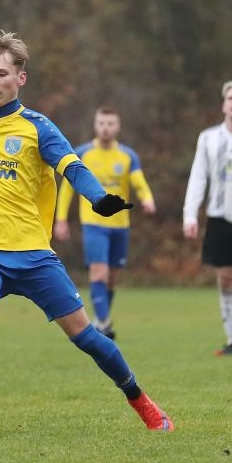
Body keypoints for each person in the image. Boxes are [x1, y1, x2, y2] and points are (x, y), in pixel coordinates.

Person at [0, 31, 173, 432]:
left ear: (21, 78)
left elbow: (73, 168)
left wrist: (98, 198)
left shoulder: (38, 128)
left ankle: (142, 402)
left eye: (0, 74)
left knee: (86, 336)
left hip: (31, 252)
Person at [54, 106, 156, 339]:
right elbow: (67, 189)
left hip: (120, 225)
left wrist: (147, 199)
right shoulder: (82, 153)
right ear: (95, 125)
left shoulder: (128, 155)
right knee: (99, 273)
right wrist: (61, 219)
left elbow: (138, 181)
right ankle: (104, 323)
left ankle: (101, 320)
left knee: (111, 277)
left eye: (110, 123)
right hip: (93, 223)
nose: (105, 128)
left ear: (117, 127)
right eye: (101, 123)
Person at [183, 79, 232, 356]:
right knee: (227, 279)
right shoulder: (208, 138)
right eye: (230, 98)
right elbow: (198, 177)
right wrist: (190, 215)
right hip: (220, 220)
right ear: (224, 105)